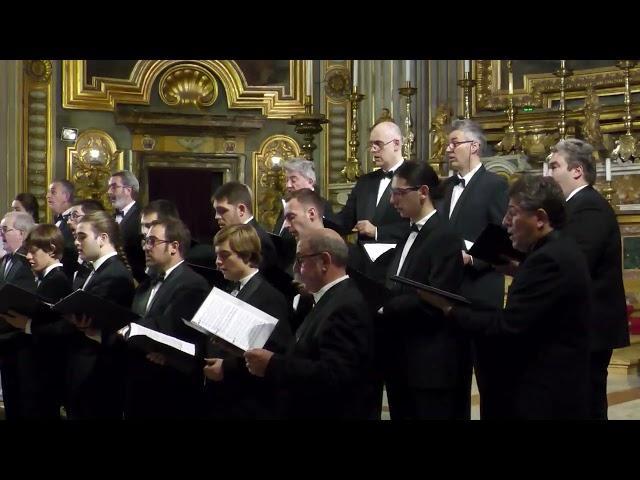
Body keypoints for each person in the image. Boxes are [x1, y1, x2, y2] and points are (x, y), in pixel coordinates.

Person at [419, 176, 591, 419]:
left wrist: (449, 308)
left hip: (545, 392)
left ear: (540, 218)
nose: (504, 222)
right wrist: (520, 271)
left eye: (512, 213)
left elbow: (508, 327)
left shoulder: (547, 260)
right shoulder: (558, 249)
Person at [244, 228, 377, 419]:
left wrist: (272, 364)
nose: (294, 269)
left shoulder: (345, 306)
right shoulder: (330, 298)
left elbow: (334, 375)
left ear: (324, 261)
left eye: (300, 260)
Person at [381, 161, 470, 420]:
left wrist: (385, 306)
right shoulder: (410, 233)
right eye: (391, 193)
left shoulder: (444, 236)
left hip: (430, 364)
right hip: (403, 358)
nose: (392, 201)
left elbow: (437, 299)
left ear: (422, 192)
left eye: (398, 193)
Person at [548, 138, 630, 419]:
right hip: (578, 324)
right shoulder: (575, 206)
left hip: (589, 324)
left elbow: (577, 262)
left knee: (586, 403)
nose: (549, 174)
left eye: (554, 166)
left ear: (577, 171)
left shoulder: (589, 206)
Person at [435, 119, 508, 418]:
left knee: (490, 380)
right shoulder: (444, 187)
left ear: (475, 146)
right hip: (448, 293)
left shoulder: (495, 186)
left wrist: (473, 257)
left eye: (455, 143)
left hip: (480, 295)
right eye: (448, 143)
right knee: (451, 378)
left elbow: (502, 238)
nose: (448, 149)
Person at [123, 217, 210, 419]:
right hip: (140, 382)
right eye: (145, 240)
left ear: (174, 247)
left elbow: (175, 330)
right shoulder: (146, 283)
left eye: (152, 241)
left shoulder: (192, 283)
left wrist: (130, 328)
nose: (145, 247)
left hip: (169, 387)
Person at [203, 224, 292, 419]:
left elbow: (275, 354)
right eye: (217, 255)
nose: (217, 262)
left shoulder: (270, 296)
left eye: (225, 255)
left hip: (250, 401)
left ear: (247, 256)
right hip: (222, 399)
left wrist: (226, 368)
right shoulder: (227, 289)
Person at [65, 210, 135, 419]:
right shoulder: (92, 271)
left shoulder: (114, 274)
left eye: (82, 236)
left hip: (99, 372)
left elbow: (99, 320)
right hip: (85, 368)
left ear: (103, 238)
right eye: (75, 237)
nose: (76, 242)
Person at [0, 224, 72, 419]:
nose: (29, 258)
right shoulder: (44, 279)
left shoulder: (57, 280)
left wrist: (27, 324)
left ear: (51, 249)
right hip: (31, 369)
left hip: (41, 371)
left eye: (33, 252)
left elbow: (58, 327)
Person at [334, 121, 410, 279]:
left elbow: (420, 225)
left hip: (398, 265)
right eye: (371, 145)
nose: (373, 150)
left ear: (396, 144)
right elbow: (346, 219)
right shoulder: (365, 181)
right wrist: (320, 220)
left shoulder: (414, 176)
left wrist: (377, 231)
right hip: (362, 267)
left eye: (378, 144)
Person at [0, 211, 37, 419]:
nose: (1, 234)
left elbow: (21, 303)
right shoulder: (7, 260)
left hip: (20, 345)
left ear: (22, 234)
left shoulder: (27, 264)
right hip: (6, 345)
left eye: (5, 229)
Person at [212, 181, 278, 272]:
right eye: (216, 211)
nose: (217, 216)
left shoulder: (259, 239)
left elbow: (258, 282)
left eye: (222, 210)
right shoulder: (238, 234)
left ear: (241, 210)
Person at [108, 170, 146, 283]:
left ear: (128, 190)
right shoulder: (110, 218)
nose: (109, 191)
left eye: (114, 187)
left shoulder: (142, 216)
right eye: (109, 187)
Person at [46, 179, 78, 280]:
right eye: (48, 192)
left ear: (66, 196)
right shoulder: (57, 220)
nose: (48, 196)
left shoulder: (76, 220)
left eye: (53, 192)